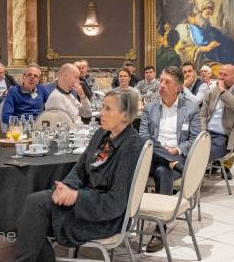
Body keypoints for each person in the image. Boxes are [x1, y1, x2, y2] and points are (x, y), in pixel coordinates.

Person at [14, 90, 143, 262]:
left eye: (108, 109)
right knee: (30, 215)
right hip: (86, 204)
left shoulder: (131, 146)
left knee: (32, 214)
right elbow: (80, 169)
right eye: (102, 107)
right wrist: (67, 187)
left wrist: (76, 197)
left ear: (125, 116)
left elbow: (116, 202)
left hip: (104, 218)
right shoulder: (101, 135)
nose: (101, 113)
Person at [137, 66, 201, 252]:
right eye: (161, 80)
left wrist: (177, 150)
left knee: (162, 170)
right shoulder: (150, 108)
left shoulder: (190, 109)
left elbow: (194, 140)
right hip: (152, 156)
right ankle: (170, 162)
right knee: (148, 145)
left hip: (176, 156)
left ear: (179, 88)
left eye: (167, 82)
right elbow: (143, 137)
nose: (161, 85)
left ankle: (160, 227)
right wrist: (164, 152)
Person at [199, 64, 234, 170]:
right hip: (205, 134)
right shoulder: (212, 91)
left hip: (223, 138)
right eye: (220, 74)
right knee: (186, 151)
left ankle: (189, 182)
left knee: (200, 156)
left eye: (225, 75)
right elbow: (203, 114)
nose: (221, 78)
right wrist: (202, 133)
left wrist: (223, 91)